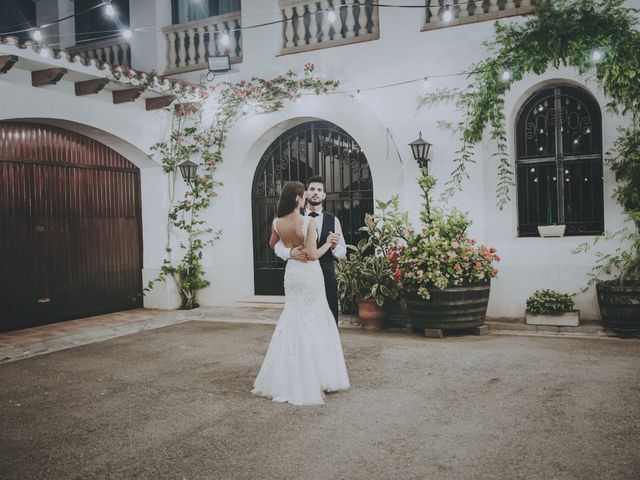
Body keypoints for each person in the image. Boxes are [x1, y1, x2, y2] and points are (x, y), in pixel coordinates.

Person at [251, 181, 350, 406]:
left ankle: (287, 374)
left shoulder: (277, 221)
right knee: (316, 317)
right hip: (309, 273)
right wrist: (324, 244)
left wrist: (291, 251)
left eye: (316, 190)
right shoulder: (308, 221)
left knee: (294, 316)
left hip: (294, 275)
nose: (309, 195)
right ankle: (314, 375)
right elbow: (313, 254)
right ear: (298, 198)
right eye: (305, 193)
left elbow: (271, 243)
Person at [273, 175, 347, 324]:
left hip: (326, 276)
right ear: (305, 194)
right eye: (312, 189)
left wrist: (333, 246)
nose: (315, 192)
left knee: (329, 318)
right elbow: (277, 245)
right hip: (303, 277)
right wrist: (290, 252)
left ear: (324, 195)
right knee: (302, 320)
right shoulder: (291, 216)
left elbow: (343, 251)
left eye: (319, 190)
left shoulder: (333, 220)